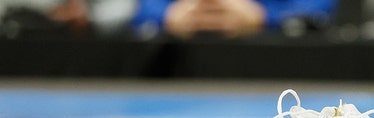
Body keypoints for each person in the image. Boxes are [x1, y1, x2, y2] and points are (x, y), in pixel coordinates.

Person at [132, 0, 337, 39]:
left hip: (269, 72)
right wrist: (168, 14)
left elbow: (319, 7)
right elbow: (143, 9)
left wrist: (264, 15)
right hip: (177, 72)